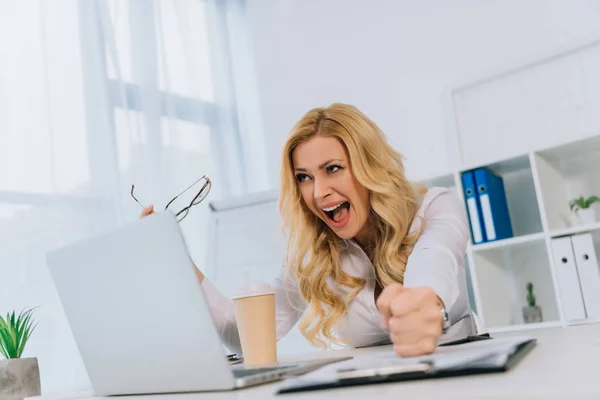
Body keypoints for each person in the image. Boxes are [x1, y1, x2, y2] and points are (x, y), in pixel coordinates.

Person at [140, 103, 477, 357]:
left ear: (369, 167)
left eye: (333, 169)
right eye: (304, 177)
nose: (318, 192)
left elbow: (435, 260)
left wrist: (422, 302)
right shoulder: (315, 255)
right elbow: (243, 335)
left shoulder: (436, 208)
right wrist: (177, 258)